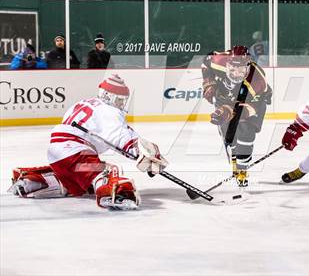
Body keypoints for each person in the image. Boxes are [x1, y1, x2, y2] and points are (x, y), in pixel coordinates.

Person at [9, 74, 168, 210]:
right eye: (120, 99)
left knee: (78, 181)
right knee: (108, 170)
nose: (122, 103)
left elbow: (112, 135)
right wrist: (143, 153)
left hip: (58, 156)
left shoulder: (86, 103)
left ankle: (33, 181)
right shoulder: (109, 110)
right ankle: (116, 196)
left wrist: (141, 153)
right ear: (109, 96)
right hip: (76, 153)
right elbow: (120, 136)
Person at [201, 45, 272, 187]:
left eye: (241, 70)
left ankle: (242, 171)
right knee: (229, 137)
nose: (236, 73)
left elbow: (246, 110)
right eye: (232, 68)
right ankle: (234, 158)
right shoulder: (218, 61)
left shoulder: (256, 82)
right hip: (225, 98)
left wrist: (226, 112)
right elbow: (205, 62)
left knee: (246, 134)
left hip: (251, 102)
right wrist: (209, 84)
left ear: (248, 66)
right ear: (227, 63)